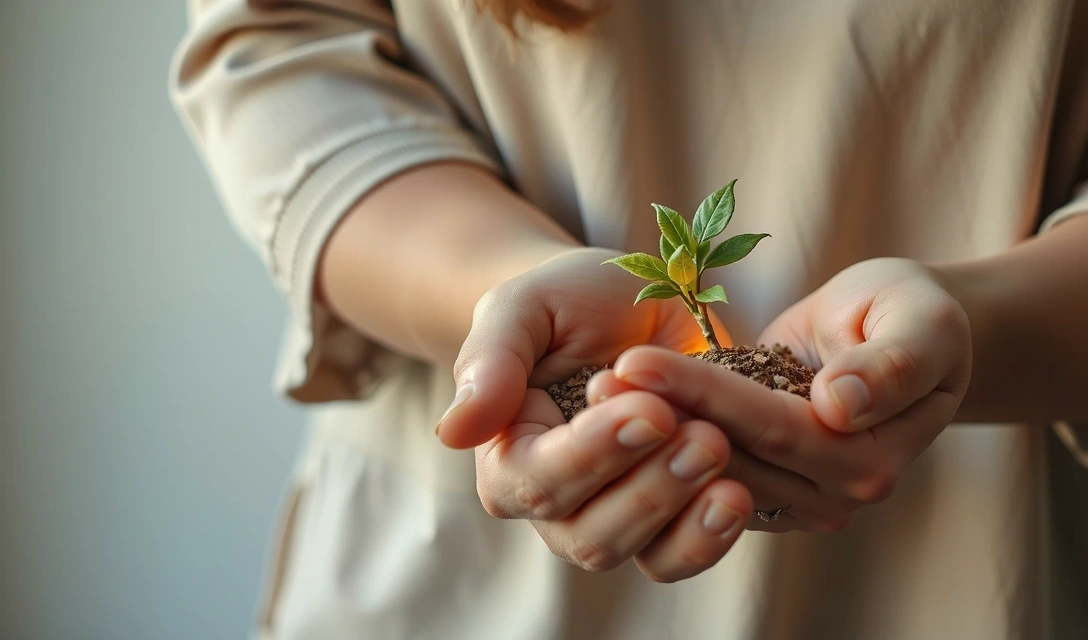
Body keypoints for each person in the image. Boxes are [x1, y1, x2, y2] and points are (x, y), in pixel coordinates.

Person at [170, 1, 1088, 638]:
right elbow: (284, 44)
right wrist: (503, 298)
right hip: (456, 586)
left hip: (974, 561)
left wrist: (975, 331)